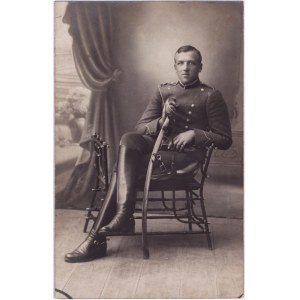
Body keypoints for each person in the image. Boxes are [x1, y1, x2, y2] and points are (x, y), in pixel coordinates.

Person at [65, 45, 232, 263]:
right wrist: (162, 120)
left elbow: (225, 140)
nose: (186, 68)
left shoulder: (211, 96)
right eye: (180, 63)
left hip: (186, 159)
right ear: (174, 66)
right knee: (128, 139)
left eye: (191, 62)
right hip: (158, 154)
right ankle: (120, 219)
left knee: (121, 169)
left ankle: (101, 236)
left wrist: (195, 134)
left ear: (200, 66)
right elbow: (140, 129)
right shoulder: (163, 91)